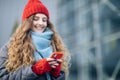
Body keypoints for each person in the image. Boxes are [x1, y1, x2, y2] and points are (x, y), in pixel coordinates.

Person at [0, 0, 71, 80]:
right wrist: (35, 70)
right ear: (27, 22)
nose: (40, 23)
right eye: (36, 19)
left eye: (44, 20)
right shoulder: (11, 47)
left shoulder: (54, 44)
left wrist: (56, 74)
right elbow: (2, 77)